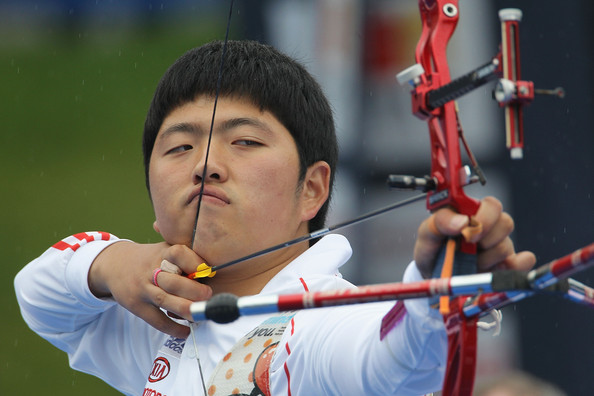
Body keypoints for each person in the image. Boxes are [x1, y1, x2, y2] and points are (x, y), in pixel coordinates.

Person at [14, 40, 535, 396]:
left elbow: (391, 361)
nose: (205, 166)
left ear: (312, 189)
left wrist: (433, 286)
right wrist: (113, 265)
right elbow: (37, 296)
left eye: (244, 142)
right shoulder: (159, 317)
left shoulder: (319, 321)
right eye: (178, 147)